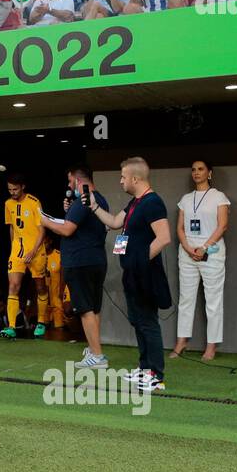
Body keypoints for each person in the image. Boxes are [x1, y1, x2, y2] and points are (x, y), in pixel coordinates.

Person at [85, 157, 172, 392]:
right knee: (138, 322)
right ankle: (144, 368)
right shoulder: (135, 203)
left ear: (135, 178)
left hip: (144, 274)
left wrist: (140, 262)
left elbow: (164, 238)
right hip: (131, 274)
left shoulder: (153, 202)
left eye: (123, 177)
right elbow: (114, 222)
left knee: (148, 322)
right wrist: (93, 207)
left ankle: (155, 374)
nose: (121, 181)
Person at [41, 167, 109, 370]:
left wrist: (44, 220)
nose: (69, 186)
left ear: (78, 180)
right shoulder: (99, 199)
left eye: (70, 182)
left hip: (81, 262)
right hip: (95, 260)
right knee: (94, 308)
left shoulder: (83, 200)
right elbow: (80, 224)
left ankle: (97, 356)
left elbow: (67, 229)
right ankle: (93, 348)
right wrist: (69, 211)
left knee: (86, 309)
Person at [173, 160, 229, 361]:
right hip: (187, 253)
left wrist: (204, 247)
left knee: (213, 301)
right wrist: (189, 248)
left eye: (201, 169)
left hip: (211, 253)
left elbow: (222, 226)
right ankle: (181, 343)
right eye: (193, 169)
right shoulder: (186, 199)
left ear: (210, 173)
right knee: (186, 299)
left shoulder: (219, 197)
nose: (196, 173)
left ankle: (211, 346)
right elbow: (179, 228)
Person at [1, 173, 49, 339]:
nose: (12, 192)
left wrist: (33, 251)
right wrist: (13, 247)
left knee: (40, 287)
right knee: (13, 286)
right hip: (18, 252)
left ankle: (42, 322)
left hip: (36, 252)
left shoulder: (34, 202)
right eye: (10, 189)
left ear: (23, 187)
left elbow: (42, 229)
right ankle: (11, 326)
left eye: (15, 189)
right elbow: (12, 227)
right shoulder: (8, 204)